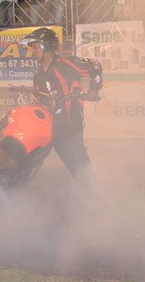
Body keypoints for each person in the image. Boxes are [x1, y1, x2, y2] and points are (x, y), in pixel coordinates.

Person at [23, 27, 102, 183]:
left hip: (71, 120)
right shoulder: (38, 75)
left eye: (36, 47)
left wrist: (94, 89)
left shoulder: (65, 63)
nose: (34, 51)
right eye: (33, 48)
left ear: (47, 46)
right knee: (58, 152)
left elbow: (95, 65)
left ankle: (92, 189)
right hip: (53, 124)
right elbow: (38, 100)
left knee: (75, 154)